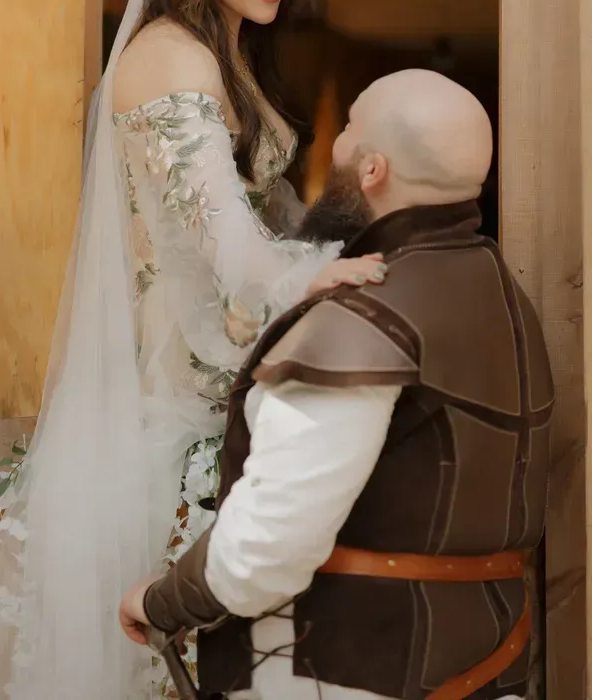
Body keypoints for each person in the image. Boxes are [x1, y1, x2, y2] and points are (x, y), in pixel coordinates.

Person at [0, 0, 385, 700]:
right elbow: (238, 263)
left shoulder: (224, 51)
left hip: (214, 374)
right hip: (177, 396)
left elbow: (263, 226)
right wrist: (340, 273)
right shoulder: (173, 61)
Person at [120, 68, 555, 700]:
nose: (337, 143)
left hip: (345, 676)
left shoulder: (362, 322)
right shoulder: (504, 295)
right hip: (492, 668)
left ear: (372, 169)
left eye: (348, 129)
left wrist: (160, 602)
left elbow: (263, 555)